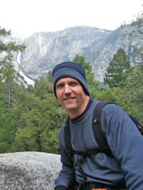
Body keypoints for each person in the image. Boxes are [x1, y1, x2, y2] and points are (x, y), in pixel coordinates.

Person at [52, 61, 143, 190]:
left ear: (83, 87)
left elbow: (137, 167)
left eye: (73, 84)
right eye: (60, 86)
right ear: (56, 94)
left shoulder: (108, 114)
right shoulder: (65, 132)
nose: (67, 91)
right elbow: (67, 169)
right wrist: (61, 186)